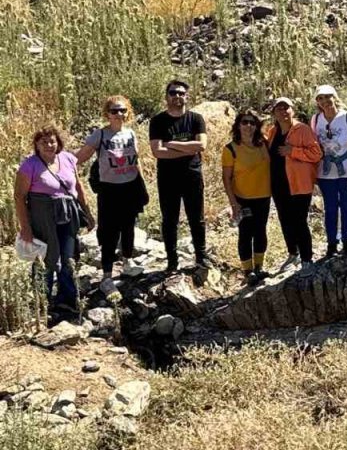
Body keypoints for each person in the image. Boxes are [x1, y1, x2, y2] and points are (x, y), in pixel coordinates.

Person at [15, 127, 94, 325]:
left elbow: (78, 186)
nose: (49, 145)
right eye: (44, 142)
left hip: (68, 213)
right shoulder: (29, 165)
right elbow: (19, 197)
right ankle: (42, 302)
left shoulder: (68, 158)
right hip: (43, 214)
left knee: (68, 257)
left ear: (58, 142)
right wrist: (25, 228)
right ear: (37, 146)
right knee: (47, 258)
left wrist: (88, 213)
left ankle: (67, 300)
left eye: (52, 141)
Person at [76, 96, 145, 296]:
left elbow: (136, 160)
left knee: (129, 226)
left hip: (130, 187)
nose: (119, 114)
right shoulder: (100, 135)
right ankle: (107, 276)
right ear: (107, 114)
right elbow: (80, 157)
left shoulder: (131, 133)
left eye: (122, 110)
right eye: (114, 111)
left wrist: (142, 184)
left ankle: (127, 261)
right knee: (109, 231)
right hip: (109, 190)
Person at [148, 79, 208, 272]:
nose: (177, 96)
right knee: (170, 219)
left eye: (181, 93)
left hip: (192, 174)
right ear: (167, 96)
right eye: (173, 93)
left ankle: (201, 257)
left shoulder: (196, 119)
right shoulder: (158, 121)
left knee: (196, 217)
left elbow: (201, 146)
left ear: (186, 96)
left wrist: (172, 144)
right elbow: (157, 152)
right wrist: (187, 148)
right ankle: (172, 261)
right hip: (168, 178)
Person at [265, 97, 322, 270]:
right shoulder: (273, 132)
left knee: (299, 221)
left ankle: (306, 259)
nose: (283, 111)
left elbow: (316, 153)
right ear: (274, 113)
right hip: (279, 184)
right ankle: (293, 253)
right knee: (285, 220)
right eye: (279, 109)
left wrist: (293, 151)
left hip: (299, 184)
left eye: (286, 108)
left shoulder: (302, 129)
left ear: (293, 110)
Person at [221, 111, 272, 285]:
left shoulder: (264, 143)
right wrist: (233, 203)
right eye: (244, 122)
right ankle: (247, 270)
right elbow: (226, 178)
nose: (248, 126)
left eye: (252, 123)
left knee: (260, 231)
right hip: (243, 198)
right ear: (238, 125)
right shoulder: (230, 149)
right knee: (245, 233)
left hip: (263, 196)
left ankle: (259, 267)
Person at [312, 85, 347, 259]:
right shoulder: (316, 120)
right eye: (320, 98)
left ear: (335, 97)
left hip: (346, 168)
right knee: (330, 208)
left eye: (328, 97)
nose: (325, 101)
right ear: (317, 102)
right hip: (325, 172)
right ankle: (332, 242)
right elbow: (314, 147)